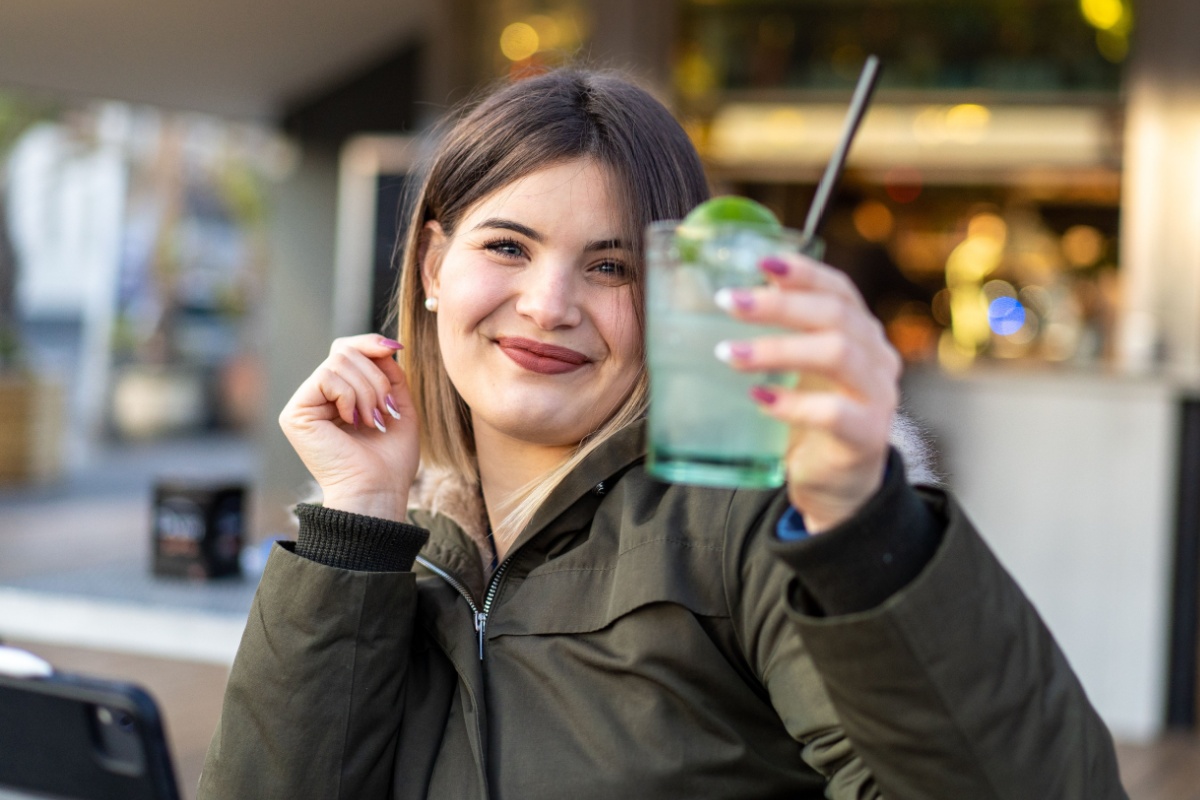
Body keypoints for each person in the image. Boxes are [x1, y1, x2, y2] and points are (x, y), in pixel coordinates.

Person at [198, 68, 1127, 799]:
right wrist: (358, 520)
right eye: (508, 247)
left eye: (612, 265)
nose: (549, 305)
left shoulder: (754, 524)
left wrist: (867, 529)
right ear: (437, 262)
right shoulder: (388, 540)